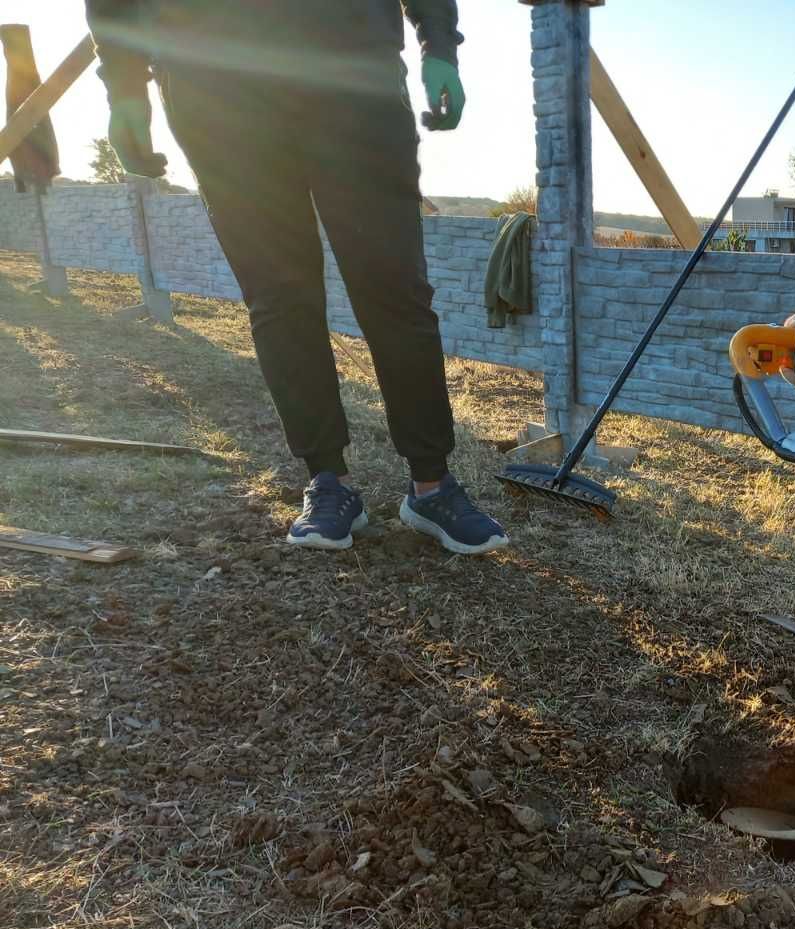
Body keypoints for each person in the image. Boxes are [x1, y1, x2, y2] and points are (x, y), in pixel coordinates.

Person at [84, 0, 508, 554]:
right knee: (279, 293)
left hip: (354, 72)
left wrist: (438, 42)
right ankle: (328, 480)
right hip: (213, 85)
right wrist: (123, 88)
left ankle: (432, 484)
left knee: (395, 287)